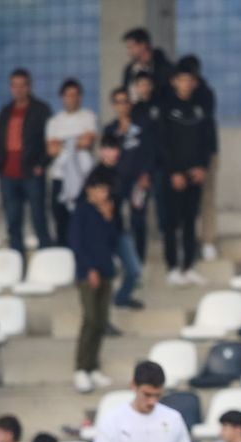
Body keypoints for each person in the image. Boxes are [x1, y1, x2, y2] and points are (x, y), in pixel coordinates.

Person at [157, 59, 215, 287]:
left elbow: (207, 141)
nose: (186, 84)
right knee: (172, 223)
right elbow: (163, 143)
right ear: (174, 82)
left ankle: (189, 266)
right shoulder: (166, 109)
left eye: (190, 80)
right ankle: (172, 267)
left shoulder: (200, 109)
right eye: (182, 80)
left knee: (191, 221)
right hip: (173, 176)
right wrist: (174, 172)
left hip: (195, 175)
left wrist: (202, 167)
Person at [103, 87, 154, 309]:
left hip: (137, 182)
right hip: (116, 183)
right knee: (114, 221)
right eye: (118, 101)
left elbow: (151, 153)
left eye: (125, 101)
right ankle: (119, 258)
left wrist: (147, 174)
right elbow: (106, 155)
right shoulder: (110, 129)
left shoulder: (141, 127)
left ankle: (138, 262)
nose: (122, 105)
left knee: (138, 220)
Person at [69, 170, 119, 394]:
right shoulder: (81, 212)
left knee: (101, 320)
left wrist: (109, 218)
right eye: (100, 189)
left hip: (106, 271)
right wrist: (90, 269)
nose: (104, 194)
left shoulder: (106, 212)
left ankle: (94, 366)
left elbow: (113, 240)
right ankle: (81, 367)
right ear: (90, 190)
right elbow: (77, 244)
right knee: (90, 319)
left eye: (106, 190)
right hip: (88, 274)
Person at [0, 69, 52, 256]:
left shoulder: (41, 110)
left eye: (22, 85)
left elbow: (50, 141)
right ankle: (16, 262)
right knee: (13, 222)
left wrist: (41, 164)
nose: (18, 89)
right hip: (8, 175)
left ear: (29, 86)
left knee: (38, 220)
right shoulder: (5, 111)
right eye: (14, 85)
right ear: (10, 88)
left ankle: (47, 259)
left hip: (31, 174)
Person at [91, 133, 144, 313]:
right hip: (101, 233)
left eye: (114, 149)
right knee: (106, 275)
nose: (111, 153)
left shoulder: (121, 173)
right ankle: (103, 316)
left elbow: (131, 197)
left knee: (134, 269)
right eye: (107, 149)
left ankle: (122, 298)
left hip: (119, 229)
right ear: (100, 151)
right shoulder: (95, 175)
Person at [46, 79, 98, 247]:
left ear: (80, 97)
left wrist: (63, 142)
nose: (72, 98)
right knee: (61, 222)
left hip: (83, 178)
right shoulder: (54, 122)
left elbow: (88, 141)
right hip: (60, 177)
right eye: (68, 95)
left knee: (84, 221)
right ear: (62, 97)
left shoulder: (88, 117)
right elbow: (51, 149)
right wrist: (76, 140)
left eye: (75, 95)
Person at [180, 55, 221, 263]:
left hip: (205, 156)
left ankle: (208, 242)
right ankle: (187, 242)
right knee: (183, 203)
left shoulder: (205, 94)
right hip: (182, 157)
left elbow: (205, 131)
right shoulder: (174, 100)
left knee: (206, 199)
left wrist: (202, 164)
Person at [127, 72, 163, 264]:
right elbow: (135, 146)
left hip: (159, 169)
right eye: (139, 84)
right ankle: (138, 259)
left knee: (164, 214)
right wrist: (141, 172)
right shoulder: (134, 111)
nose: (143, 88)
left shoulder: (160, 107)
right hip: (139, 174)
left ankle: (169, 258)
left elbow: (159, 143)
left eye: (146, 84)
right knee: (137, 218)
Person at [121, 27, 175, 104]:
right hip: (134, 113)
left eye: (131, 47)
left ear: (143, 45)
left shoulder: (165, 69)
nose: (129, 52)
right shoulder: (129, 70)